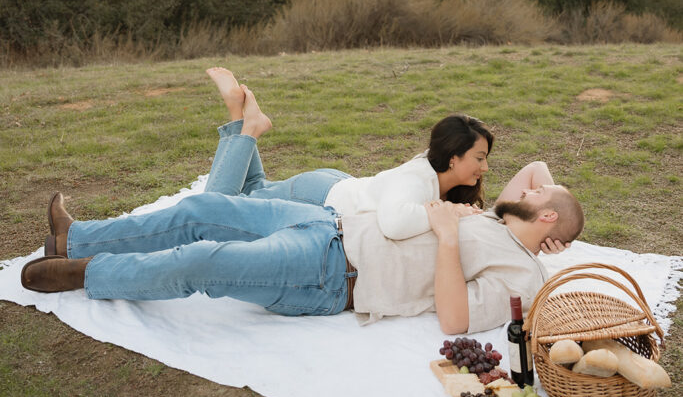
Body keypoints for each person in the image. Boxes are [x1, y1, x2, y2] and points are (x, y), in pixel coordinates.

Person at [22, 90, 585, 334]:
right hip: (328, 223)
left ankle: (85, 273)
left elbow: (455, 321)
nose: (531, 186)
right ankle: (79, 236)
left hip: (333, 275)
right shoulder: (495, 218)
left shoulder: (523, 274)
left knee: (205, 259)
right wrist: (548, 211)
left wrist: (443, 236)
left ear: (546, 220)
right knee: (203, 207)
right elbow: (536, 176)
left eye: (540, 198)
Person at [202, 68, 569, 254]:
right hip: (322, 198)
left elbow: (537, 169)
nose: (485, 168)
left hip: (338, 188)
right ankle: (248, 129)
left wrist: (556, 226)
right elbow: (394, 224)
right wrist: (450, 213)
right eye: (479, 158)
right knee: (214, 214)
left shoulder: (445, 186)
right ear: (453, 158)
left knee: (252, 191)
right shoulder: (418, 180)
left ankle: (240, 114)